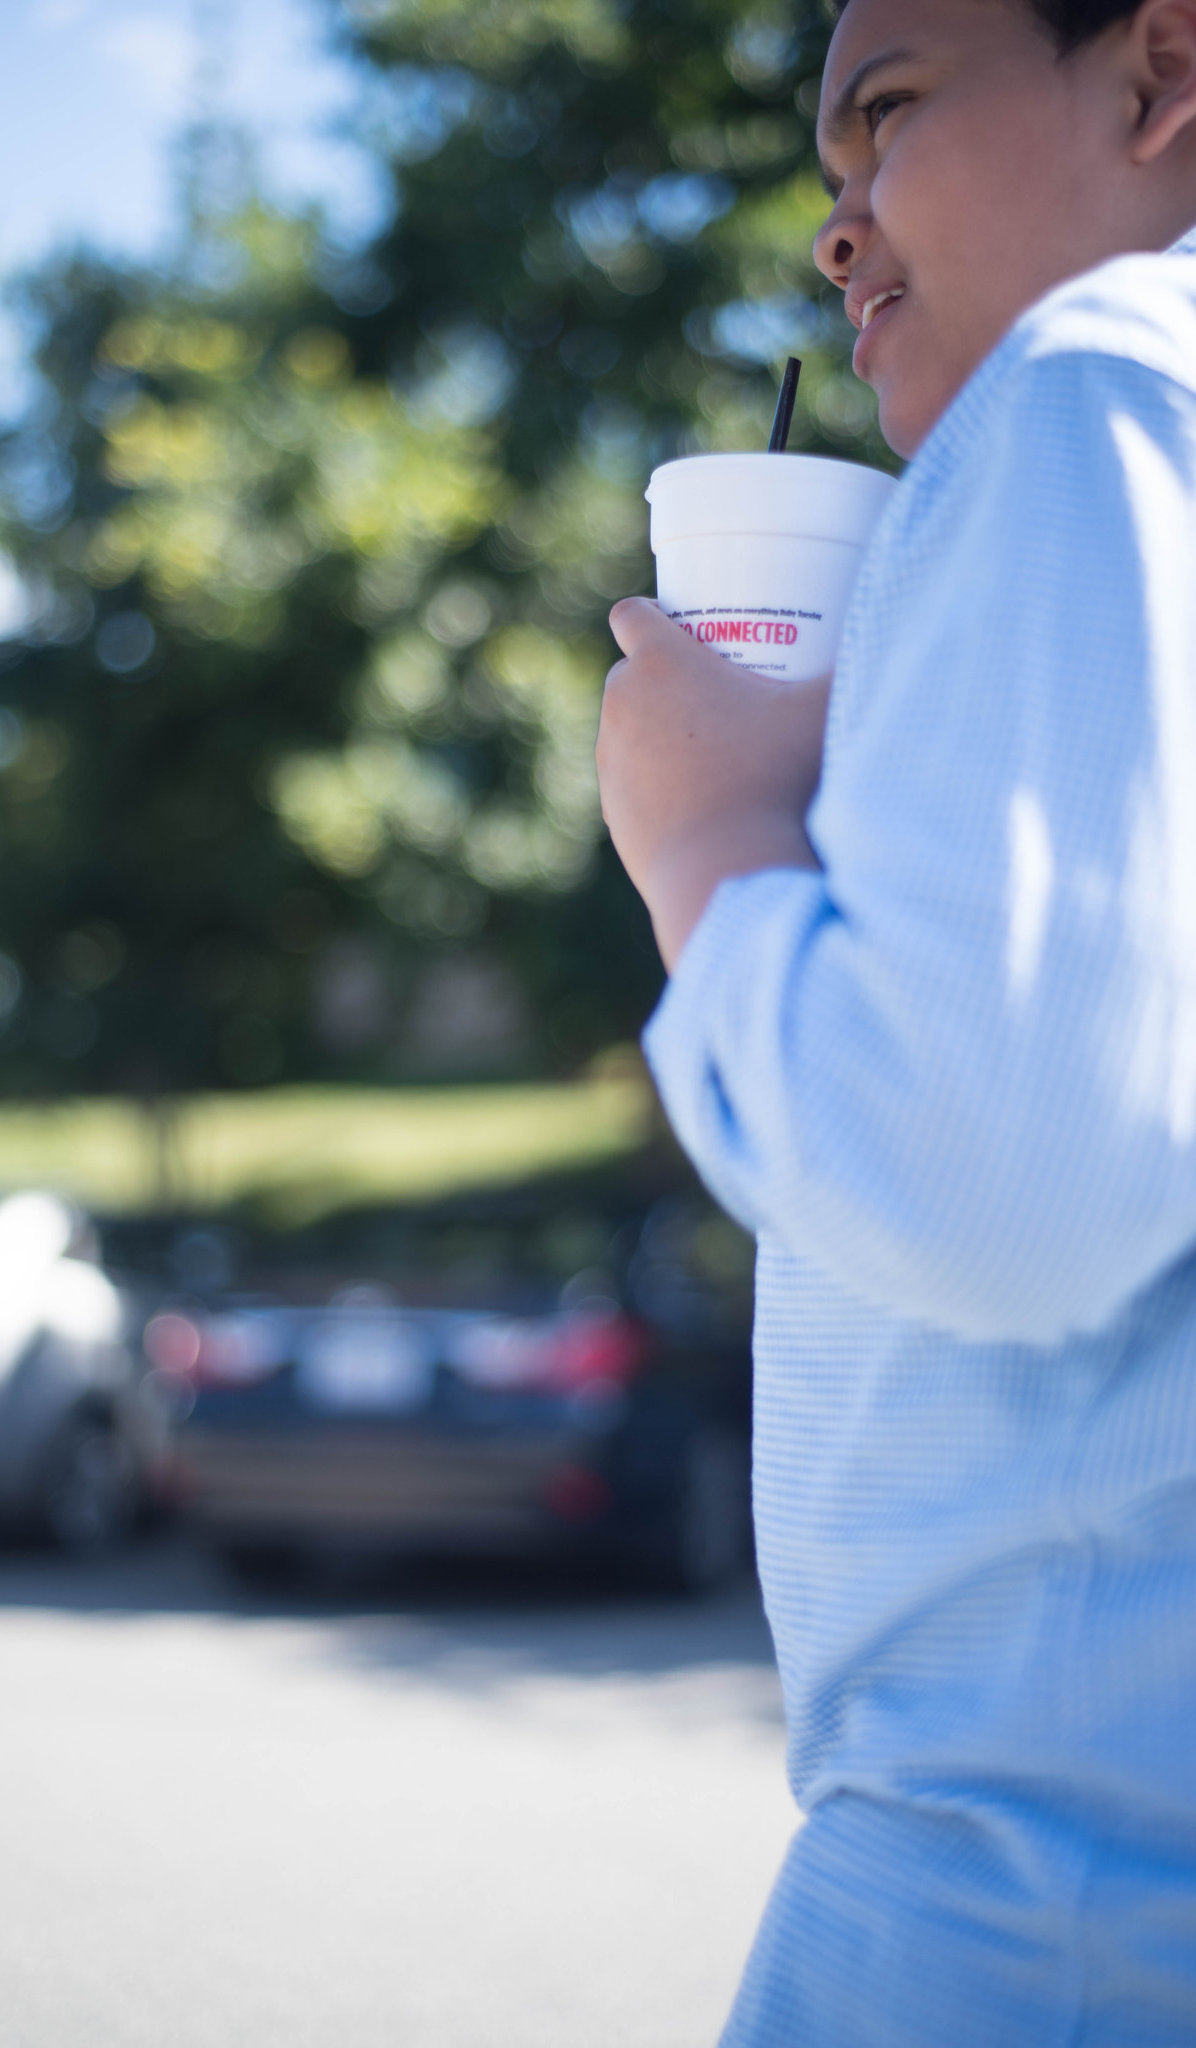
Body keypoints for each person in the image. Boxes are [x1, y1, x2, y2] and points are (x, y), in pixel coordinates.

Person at [595, 1, 1196, 2041]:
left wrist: (712, 839)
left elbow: (999, 1173)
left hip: (1034, 1903)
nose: (837, 233)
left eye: (894, 119)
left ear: (1160, 72)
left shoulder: (1093, 384)